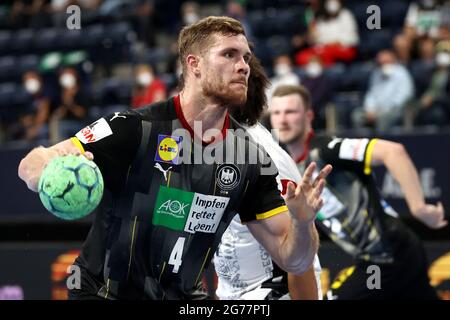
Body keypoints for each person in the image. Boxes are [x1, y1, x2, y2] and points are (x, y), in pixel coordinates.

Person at [18, 16, 331, 300]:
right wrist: (51, 168)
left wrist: (303, 224)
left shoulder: (250, 158)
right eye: (229, 55)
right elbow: (31, 164)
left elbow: (294, 260)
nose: (244, 66)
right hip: (103, 294)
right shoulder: (134, 128)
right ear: (194, 65)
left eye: (245, 57)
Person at [269, 84, 447, 299]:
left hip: (385, 258)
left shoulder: (327, 148)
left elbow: (393, 152)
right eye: (277, 113)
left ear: (308, 115)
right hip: (397, 253)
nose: (283, 120)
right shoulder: (290, 167)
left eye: (290, 111)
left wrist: (419, 208)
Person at [351, 49, 414, 131]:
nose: (384, 65)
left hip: (395, 110)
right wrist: (370, 109)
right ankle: (364, 142)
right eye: (381, 63)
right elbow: (371, 94)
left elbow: (404, 96)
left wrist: (382, 110)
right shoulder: (376, 74)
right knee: (357, 115)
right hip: (375, 111)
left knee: (383, 118)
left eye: (386, 62)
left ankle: (381, 141)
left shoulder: (402, 73)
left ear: (393, 60)